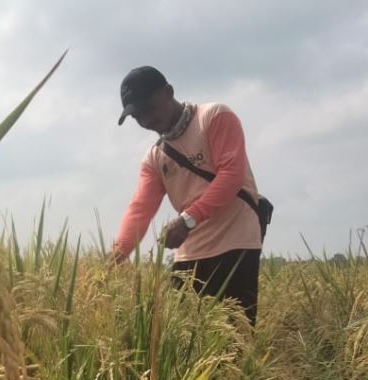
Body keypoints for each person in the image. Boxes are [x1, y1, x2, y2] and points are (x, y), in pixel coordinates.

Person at [110, 66, 263, 325]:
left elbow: (231, 175)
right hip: (189, 255)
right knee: (180, 344)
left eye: (149, 108)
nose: (146, 120)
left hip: (235, 246)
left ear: (168, 92)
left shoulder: (214, 117)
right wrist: (116, 256)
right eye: (137, 116)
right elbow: (140, 209)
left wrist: (187, 220)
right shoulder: (155, 158)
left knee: (234, 340)